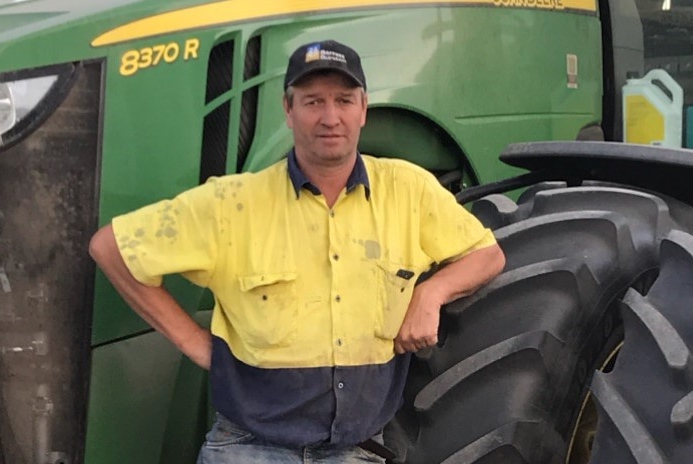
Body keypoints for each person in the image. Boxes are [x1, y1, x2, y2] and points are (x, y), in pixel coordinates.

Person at [89, 39, 505, 464]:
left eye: (343, 100)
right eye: (312, 102)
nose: (330, 117)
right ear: (287, 111)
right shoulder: (233, 204)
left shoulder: (409, 191)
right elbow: (112, 248)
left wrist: (430, 294)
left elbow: (487, 254)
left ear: (363, 108)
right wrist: (199, 346)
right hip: (249, 449)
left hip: (359, 451)